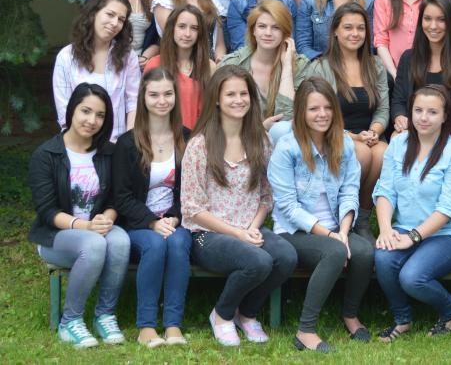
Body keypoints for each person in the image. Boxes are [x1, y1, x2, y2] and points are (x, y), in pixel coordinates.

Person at [180, 66, 297, 346]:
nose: (239, 100)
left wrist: (253, 228)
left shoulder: (260, 141)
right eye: (230, 94)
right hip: (207, 235)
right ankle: (221, 315)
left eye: (243, 94)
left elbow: (266, 195)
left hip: (248, 227)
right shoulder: (200, 144)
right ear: (217, 100)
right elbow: (192, 207)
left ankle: (246, 313)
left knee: (286, 256)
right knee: (257, 261)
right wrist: (237, 234)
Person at [269, 77, 374, 353]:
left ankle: (350, 315)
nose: (322, 114)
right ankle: (305, 330)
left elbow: (350, 191)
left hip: (335, 228)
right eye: (314, 108)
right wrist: (330, 236)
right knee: (335, 252)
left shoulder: (344, 144)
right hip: (294, 232)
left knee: (365, 251)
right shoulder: (287, 148)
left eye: (328, 107)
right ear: (301, 112)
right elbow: (288, 208)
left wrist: (343, 231)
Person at [28, 83, 129, 348]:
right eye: (86, 111)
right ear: (72, 109)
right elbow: (47, 212)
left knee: (120, 241)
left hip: (97, 227)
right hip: (56, 236)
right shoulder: (46, 155)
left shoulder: (109, 152)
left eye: (100, 115)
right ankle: (70, 321)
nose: (92, 120)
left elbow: (116, 199)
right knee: (94, 244)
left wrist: (106, 218)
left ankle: (105, 315)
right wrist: (86, 226)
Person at [373, 85, 451, 341]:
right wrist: (386, 229)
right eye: (418, 110)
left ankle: (450, 312)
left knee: (412, 277)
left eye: (432, 112)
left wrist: (414, 237)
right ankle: (402, 318)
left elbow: (447, 209)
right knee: (383, 257)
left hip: (448, 234)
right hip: (405, 227)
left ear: (445, 116)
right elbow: (385, 190)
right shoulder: (398, 144)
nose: (423, 118)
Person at [112, 68, 192, 347]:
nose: (162, 101)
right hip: (137, 224)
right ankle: (146, 326)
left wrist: (174, 218)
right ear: (143, 98)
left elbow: (192, 191)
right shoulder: (127, 143)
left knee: (178, 244)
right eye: (154, 95)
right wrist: (151, 222)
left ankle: (173, 325)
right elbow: (121, 197)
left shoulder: (188, 139)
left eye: (168, 94)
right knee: (155, 245)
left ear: (175, 97)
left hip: (175, 221)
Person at [308, 3, 389, 240]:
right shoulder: (321, 67)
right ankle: (341, 214)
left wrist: (374, 131)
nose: (355, 34)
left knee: (383, 153)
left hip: (369, 135)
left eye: (360, 28)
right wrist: (352, 137)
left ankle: (362, 218)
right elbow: (316, 114)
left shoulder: (375, 65)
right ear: (335, 31)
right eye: (348, 28)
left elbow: (383, 108)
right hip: (333, 135)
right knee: (360, 153)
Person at [219, 0, 311, 142]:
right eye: (262, 26)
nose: (268, 33)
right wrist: (261, 129)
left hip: (287, 144)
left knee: (281, 130)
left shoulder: (300, 66)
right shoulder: (232, 64)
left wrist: (287, 66)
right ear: (253, 30)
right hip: (240, 142)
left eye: (276, 27)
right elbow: (220, 119)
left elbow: (286, 119)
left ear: (285, 33)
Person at [53, 0, 140, 142]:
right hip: (78, 144)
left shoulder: (127, 56)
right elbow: (64, 110)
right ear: (94, 13)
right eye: (110, 14)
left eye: (121, 19)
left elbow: (134, 102)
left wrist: (128, 142)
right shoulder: (66, 57)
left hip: (116, 145)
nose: (115, 23)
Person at [391, 0, 451, 141]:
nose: (433, 26)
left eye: (441, 20)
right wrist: (400, 117)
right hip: (413, 130)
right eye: (427, 19)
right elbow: (398, 100)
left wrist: (417, 129)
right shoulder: (408, 58)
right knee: (396, 140)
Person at [144, 5, 216, 130]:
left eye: (194, 28)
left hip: (198, 136)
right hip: (161, 135)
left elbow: (211, 112)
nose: (187, 34)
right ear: (172, 28)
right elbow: (144, 108)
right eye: (182, 26)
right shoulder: (155, 64)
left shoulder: (209, 67)